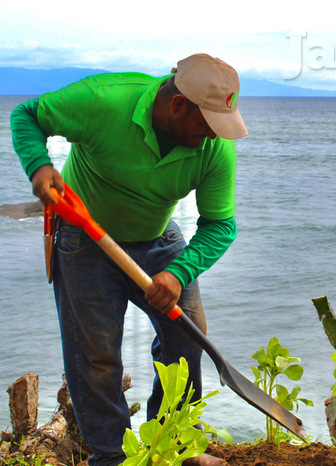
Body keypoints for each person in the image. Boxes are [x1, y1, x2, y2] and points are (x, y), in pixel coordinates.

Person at [10, 53, 247, 466]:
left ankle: (170, 448)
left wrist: (177, 271)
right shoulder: (104, 100)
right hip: (84, 238)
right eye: (207, 124)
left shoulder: (214, 149)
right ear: (178, 106)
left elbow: (220, 226)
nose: (213, 136)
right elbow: (27, 115)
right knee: (97, 357)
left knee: (186, 338)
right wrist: (39, 167)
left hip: (157, 237)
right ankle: (113, 457)